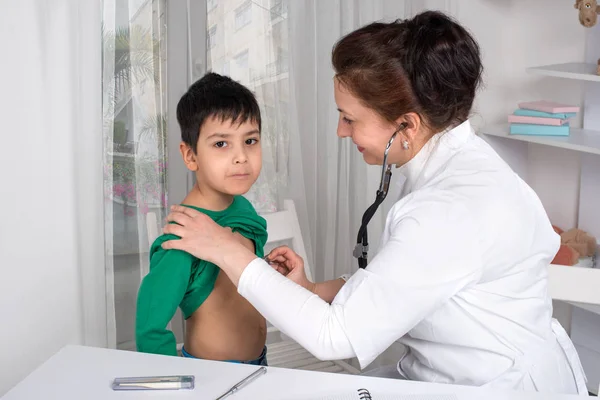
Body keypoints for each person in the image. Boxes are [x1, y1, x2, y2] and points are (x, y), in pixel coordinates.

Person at [159, 11, 588, 394]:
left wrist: (226, 250)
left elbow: (336, 337)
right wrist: (311, 291)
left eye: (350, 118)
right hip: (450, 371)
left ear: (406, 125)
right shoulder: (446, 164)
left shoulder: (450, 210)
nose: (341, 132)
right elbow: (398, 284)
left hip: (494, 386)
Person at [135, 72, 269, 366]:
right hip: (211, 376)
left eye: (250, 140)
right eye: (221, 144)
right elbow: (150, 324)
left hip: (260, 364)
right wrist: (173, 384)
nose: (241, 157)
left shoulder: (243, 209)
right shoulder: (183, 237)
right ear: (191, 155)